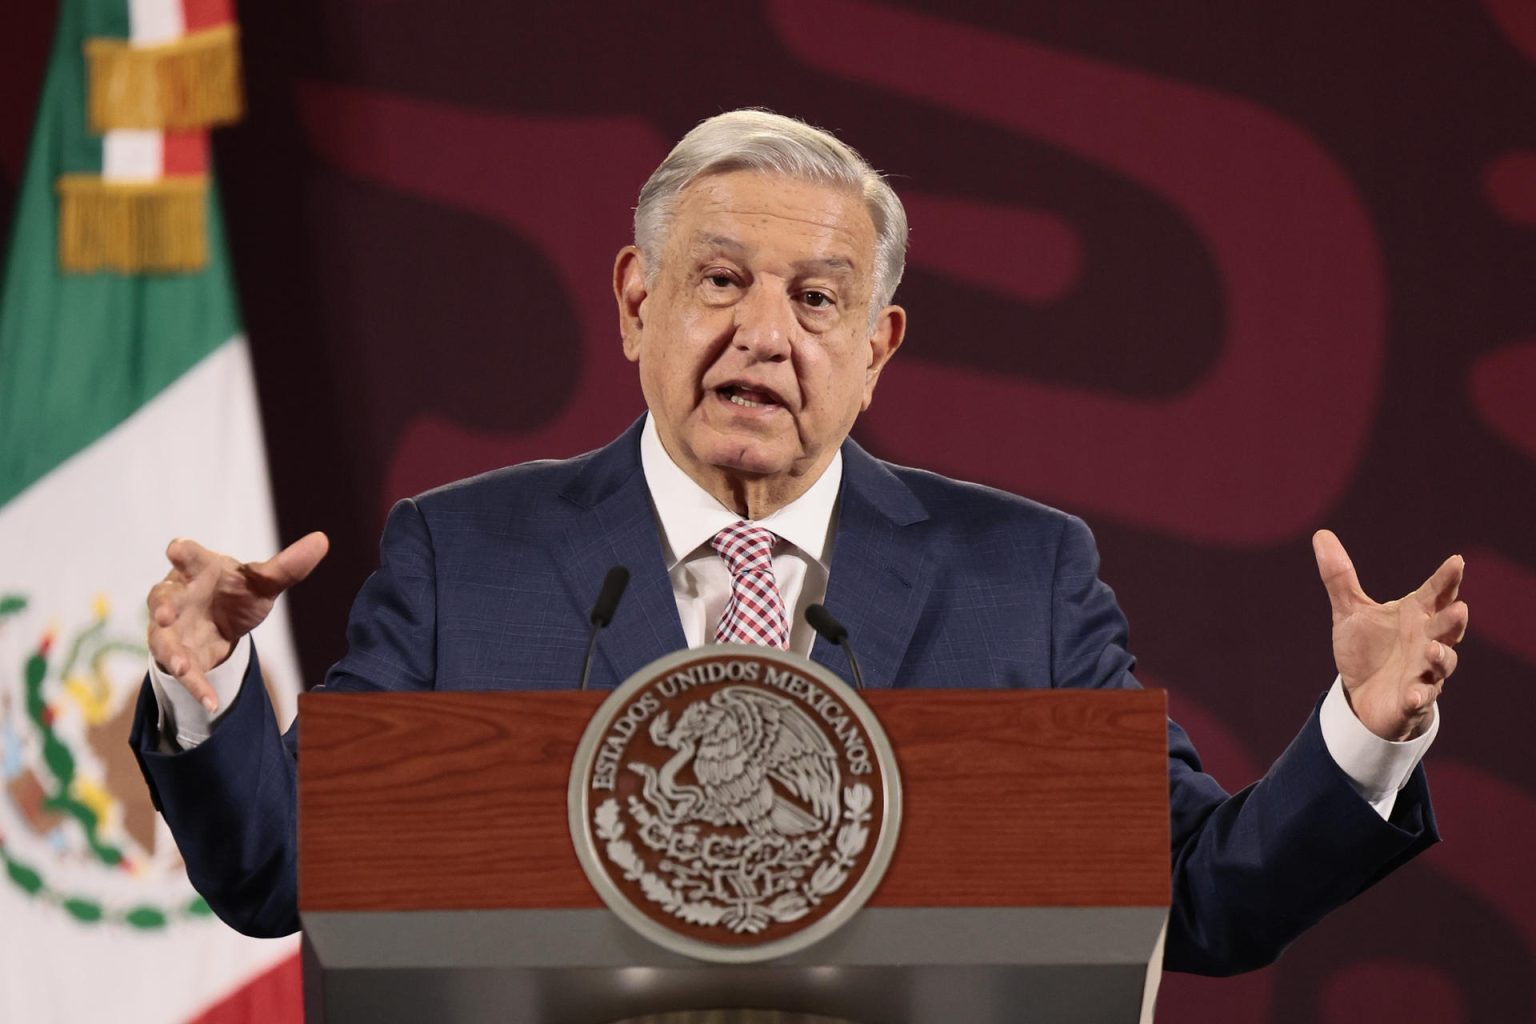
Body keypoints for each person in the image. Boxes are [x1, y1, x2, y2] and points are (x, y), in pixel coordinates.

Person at [131, 109, 1466, 975]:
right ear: (635, 301)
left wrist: (1360, 727)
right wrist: (210, 694)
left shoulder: (1022, 578)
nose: (764, 334)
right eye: (720, 280)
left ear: (875, 348)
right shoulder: (461, 556)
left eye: (816, 298)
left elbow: (1196, 897)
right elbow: (282, 871)